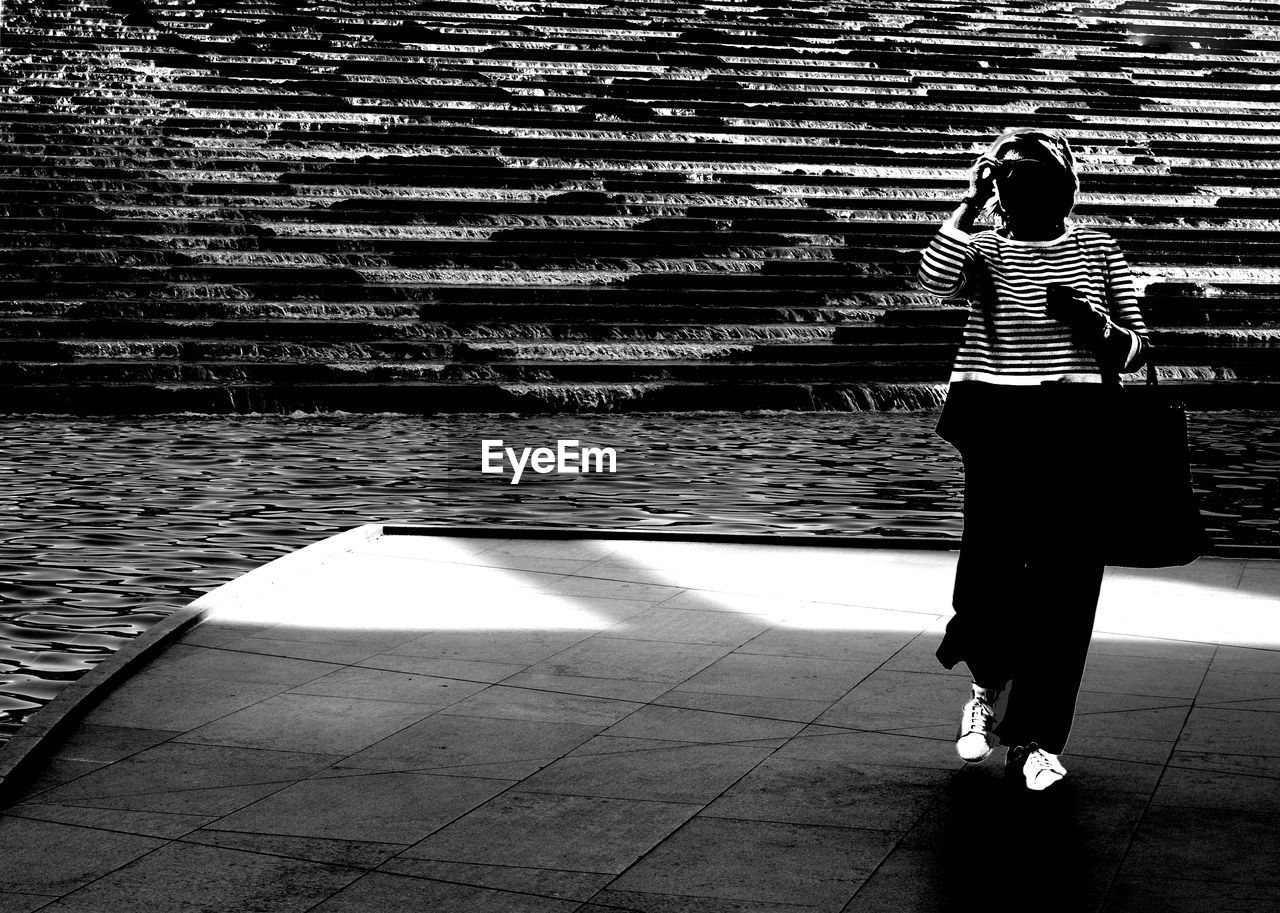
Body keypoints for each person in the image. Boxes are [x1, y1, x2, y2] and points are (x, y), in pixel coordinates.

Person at [916, 128, 1151, 791]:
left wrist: (1096, 326)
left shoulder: (1099, 248)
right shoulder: (983, 249)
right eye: (1005, 173)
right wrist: (968, 205)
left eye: (1031, 172)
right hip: (995, 423)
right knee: (986, 579)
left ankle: (1040, 737)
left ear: (1063, 182)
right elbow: (933, 281)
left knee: (1066, 588)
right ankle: (987, 687)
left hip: (1076, 427)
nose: (1016, 183)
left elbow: (1138, 348)